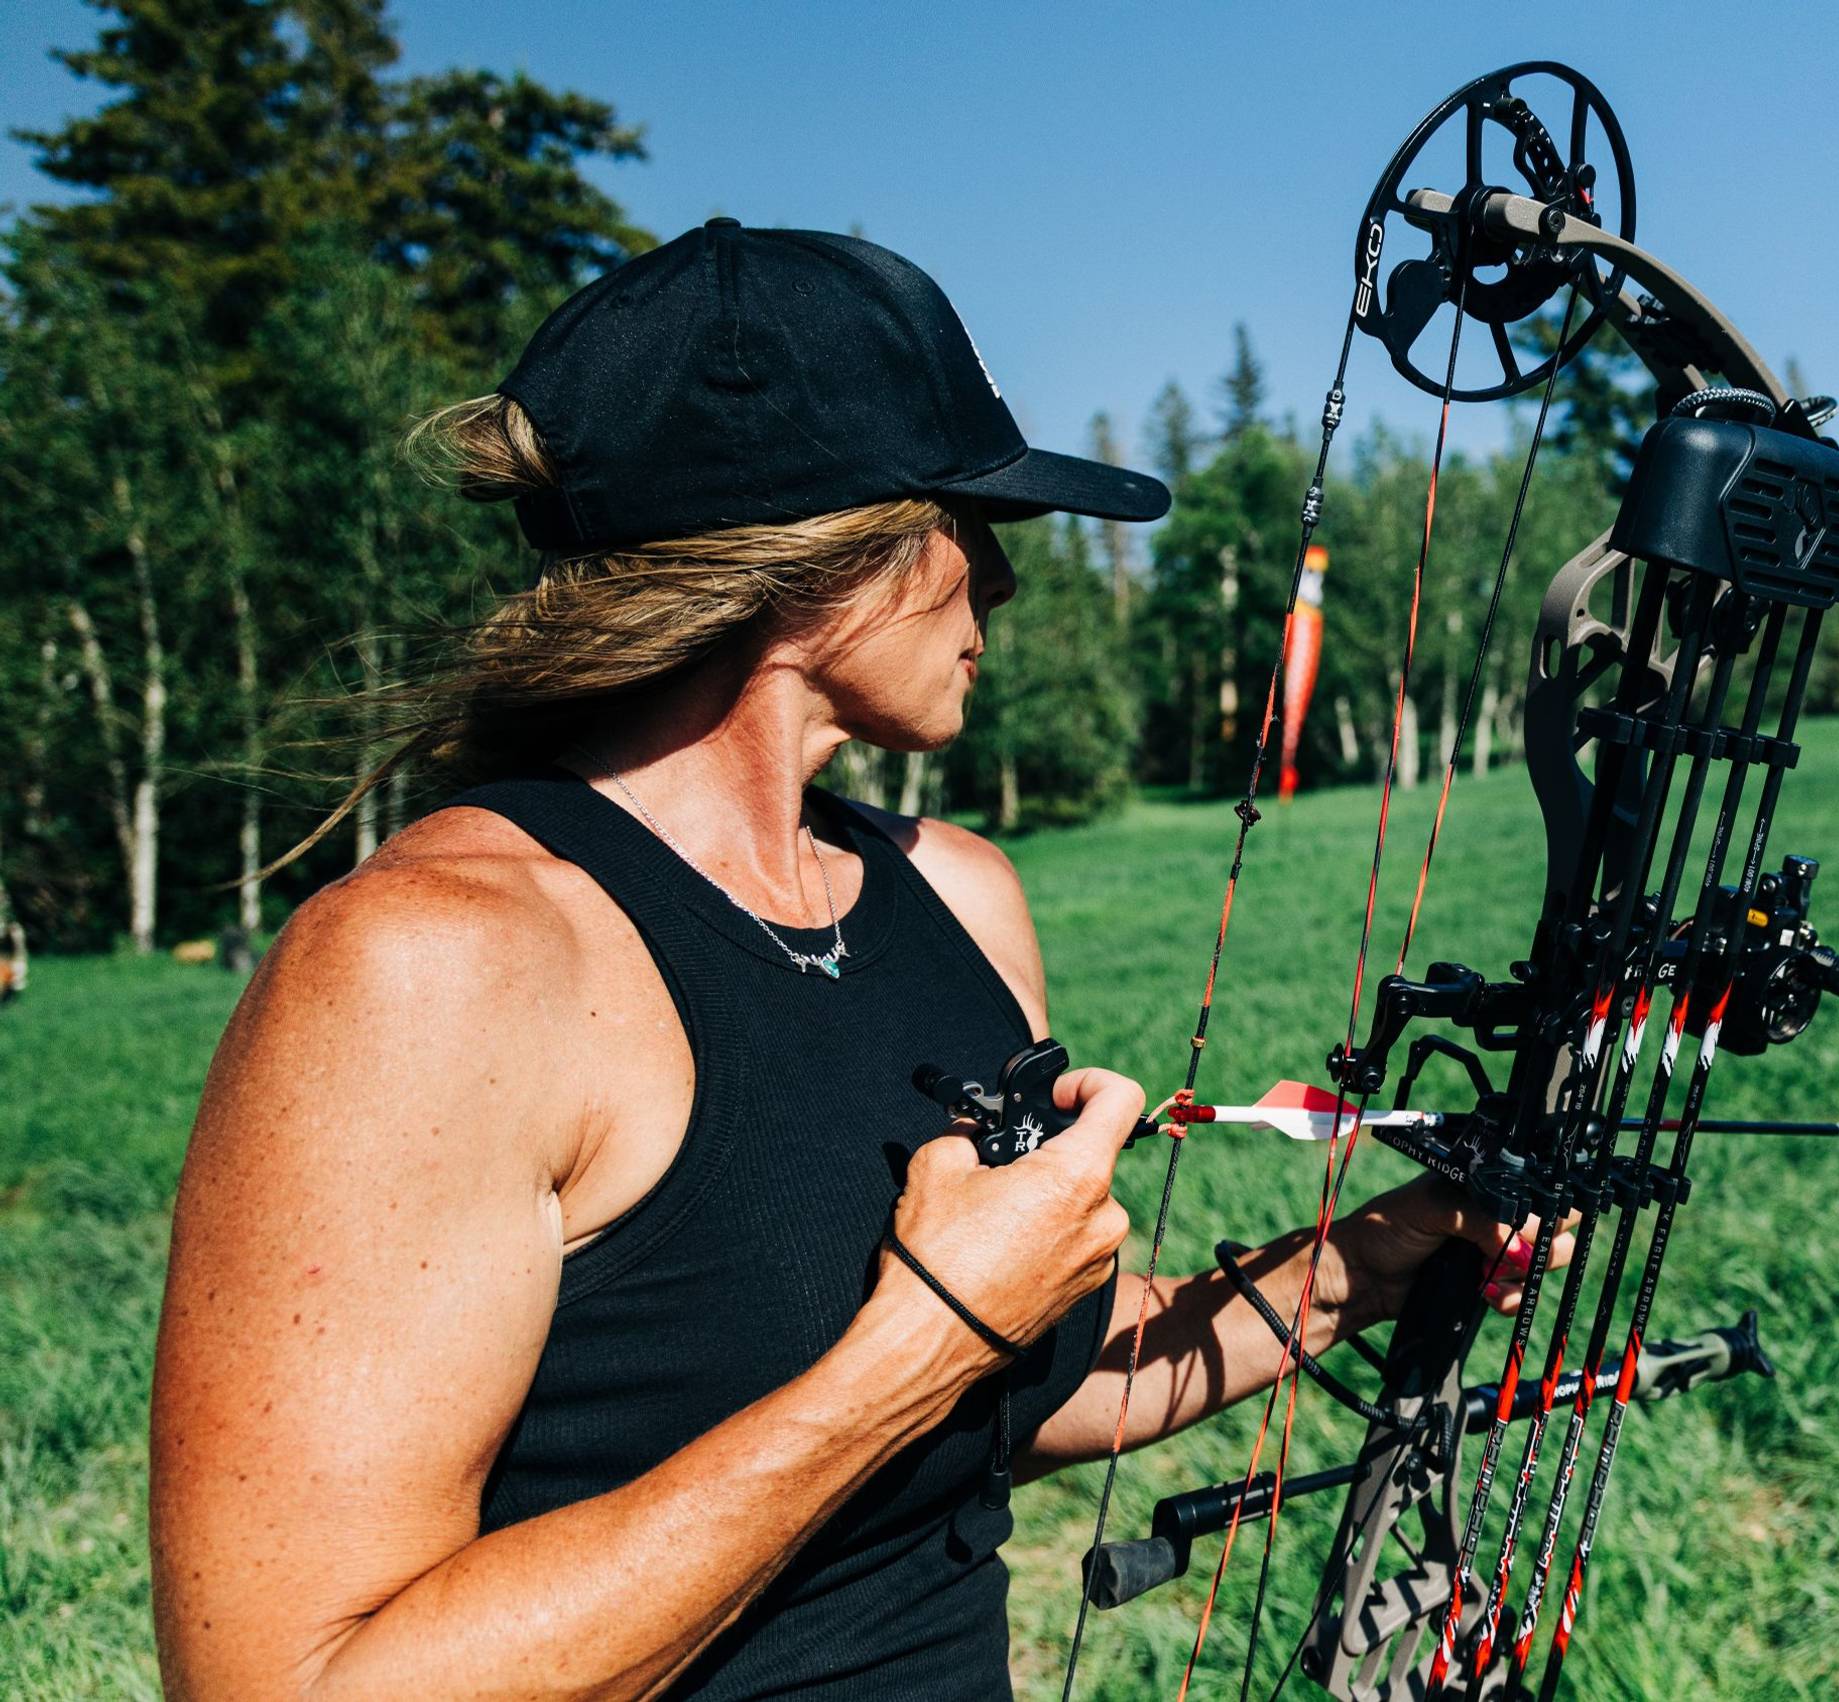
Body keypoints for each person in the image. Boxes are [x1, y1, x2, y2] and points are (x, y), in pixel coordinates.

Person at [149, 220, 1566, 1701]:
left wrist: (1379, 1255)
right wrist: (921, 1338)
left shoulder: (955, 889)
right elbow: (288, 1680)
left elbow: (1023, 1381)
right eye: (978, 524)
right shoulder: (439, 959)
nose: (1002, 590)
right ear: (828, 549)